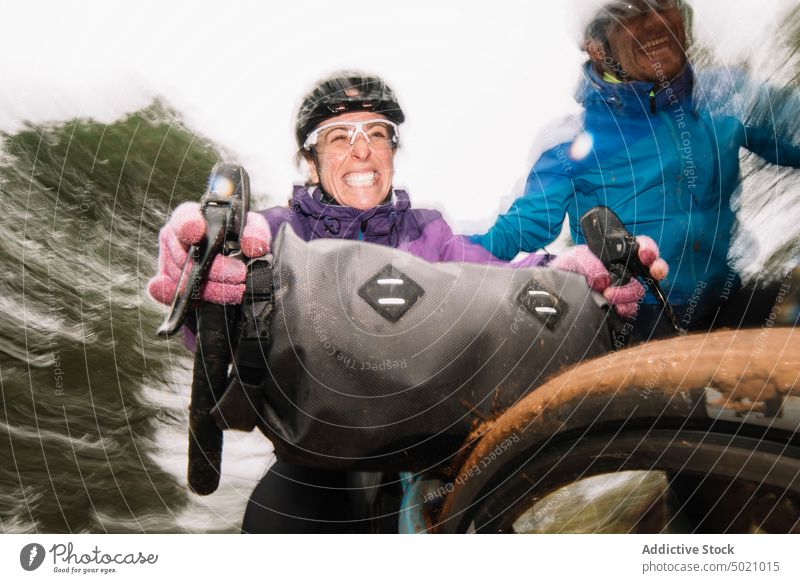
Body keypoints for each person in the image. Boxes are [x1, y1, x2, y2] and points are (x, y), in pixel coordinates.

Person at [148, 71, 666, 533]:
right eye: (339, 137)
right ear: (309, 162)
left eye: (377, 134)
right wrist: (201, 280)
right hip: (326, 454)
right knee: (275, 520)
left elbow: (497, 285)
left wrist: (572, 276)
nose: (363, 150)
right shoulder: (275, 232)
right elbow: (219, 336)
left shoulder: (430, 231)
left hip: (438, 440)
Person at [470, 0, 800, 341]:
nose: (655, 21)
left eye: (664, 3)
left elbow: (792, 127)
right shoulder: (571, 144)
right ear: (597, 47)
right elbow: (508, 237)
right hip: (635, 326)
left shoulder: (724, 95)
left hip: (727, 303)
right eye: (630, 11)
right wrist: (423, 261)